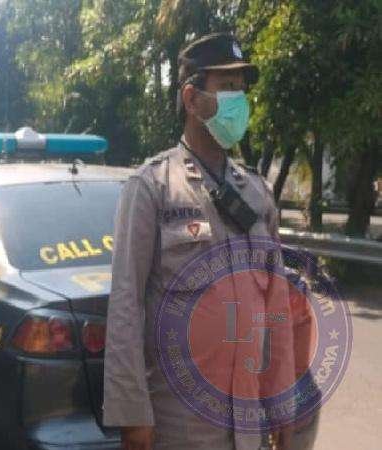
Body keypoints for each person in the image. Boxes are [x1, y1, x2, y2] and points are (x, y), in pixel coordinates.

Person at [103, 33, 315, 450]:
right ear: (191, 98)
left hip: (248, 425)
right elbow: (126, 305)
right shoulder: (153, 188)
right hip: (179, 426)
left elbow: (277, 309)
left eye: (241, 89)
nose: (239, 100)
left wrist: (282, 405)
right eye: (226, 86)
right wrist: (132, 415)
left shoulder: (257, 194)